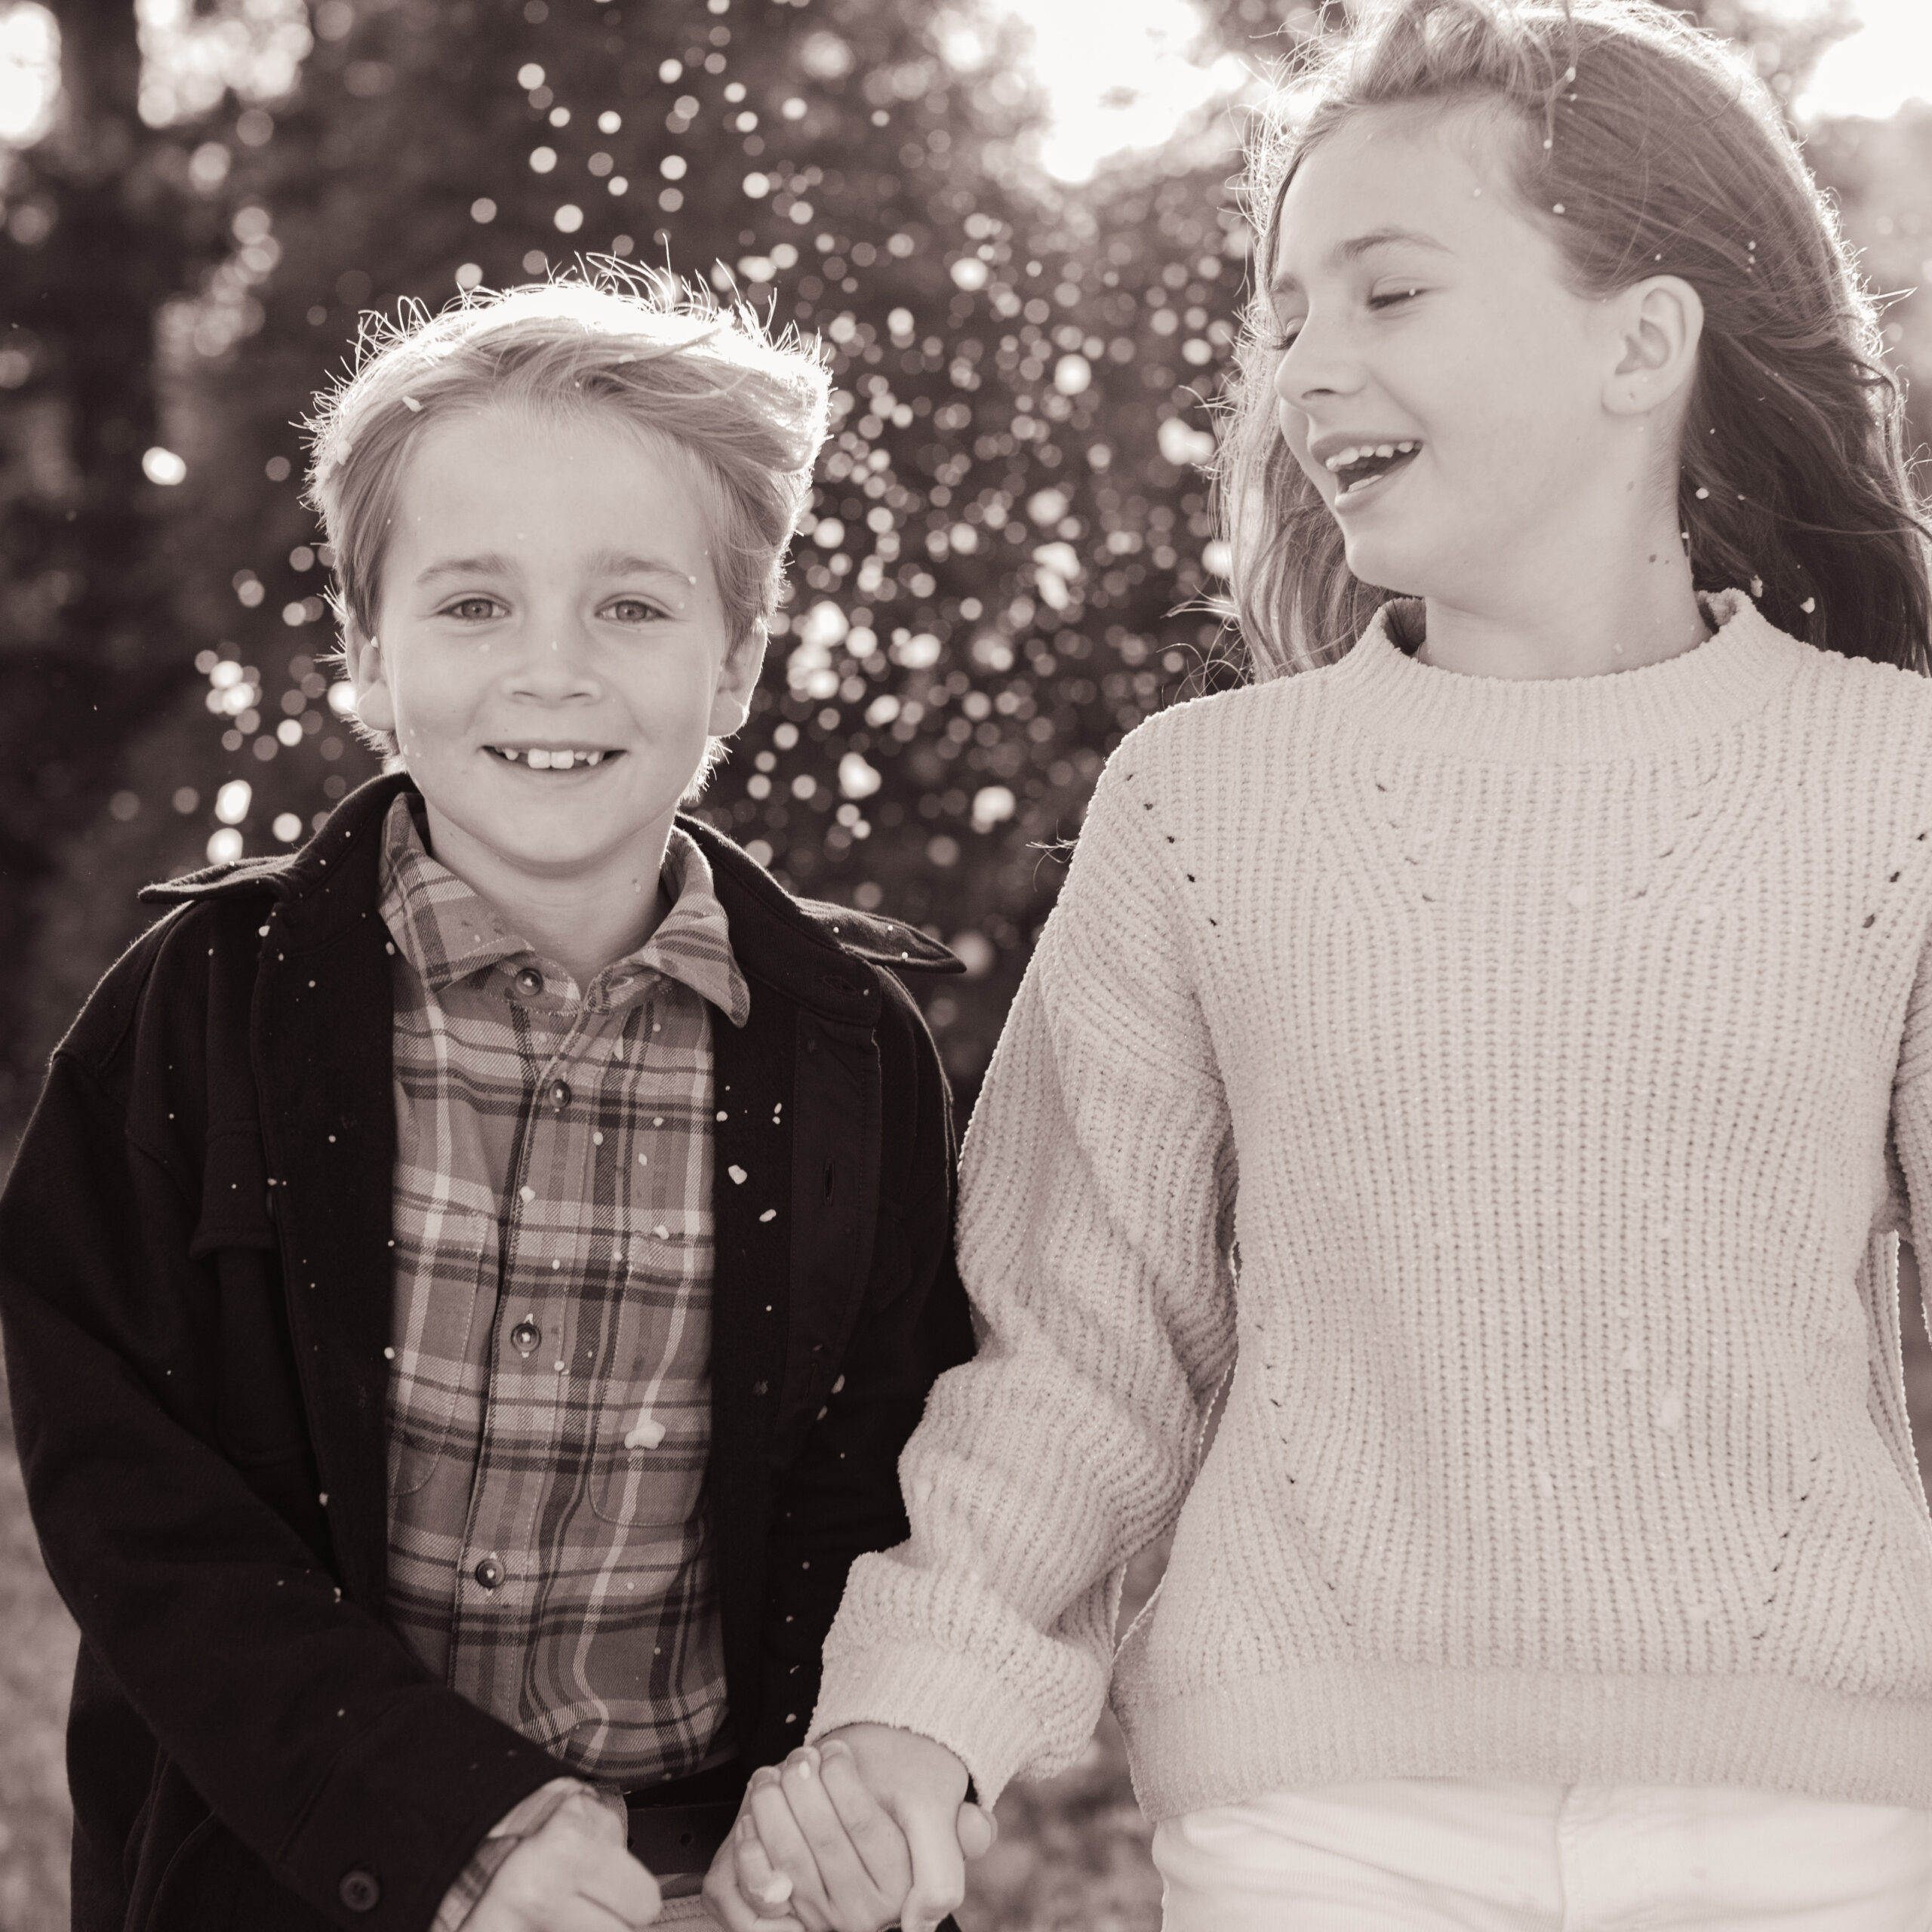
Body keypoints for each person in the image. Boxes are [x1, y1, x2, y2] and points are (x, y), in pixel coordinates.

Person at [706, 2, 1932, 1928]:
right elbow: (1082, 1348)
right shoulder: (1206, 807)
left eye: (1385, 293)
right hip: (1320, 1833)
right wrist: (909, 1718)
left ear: (1641, 341)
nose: (1304, 370)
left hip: (1824, 1831)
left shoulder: (1896, 785)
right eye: (1283, 316)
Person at [0, 272, 983, 1932]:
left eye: (630, 607)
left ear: (735, 666)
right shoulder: (203, 1011)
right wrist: (452, 1816)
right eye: (471, 605)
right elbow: (131, 1496)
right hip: (299, 1863)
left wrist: (826, 1798)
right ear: (365, 660)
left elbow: (869, 1470)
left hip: (702, 1887)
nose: (550, 671)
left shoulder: (847, 1046)